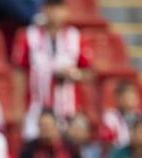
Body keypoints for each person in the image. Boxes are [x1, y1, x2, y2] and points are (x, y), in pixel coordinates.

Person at [12, 0, 93, 139]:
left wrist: (74, 74)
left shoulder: (76, 37)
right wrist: (18, 107)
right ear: (44, 10)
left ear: (66, 11)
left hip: (69, 107)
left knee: (70, 149)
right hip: (37, 106)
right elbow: (19, 72)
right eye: (51, 8)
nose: (55, 14)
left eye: (59, 9)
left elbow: (90, 73)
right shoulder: (29, 36)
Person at [100, 81, 142, 150]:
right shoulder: (110, 116)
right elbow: (109, 141)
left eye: (133, 95)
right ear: (118, 98)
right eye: (127, 96)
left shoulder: (141, 116)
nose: (130, 99)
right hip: (118, 154)